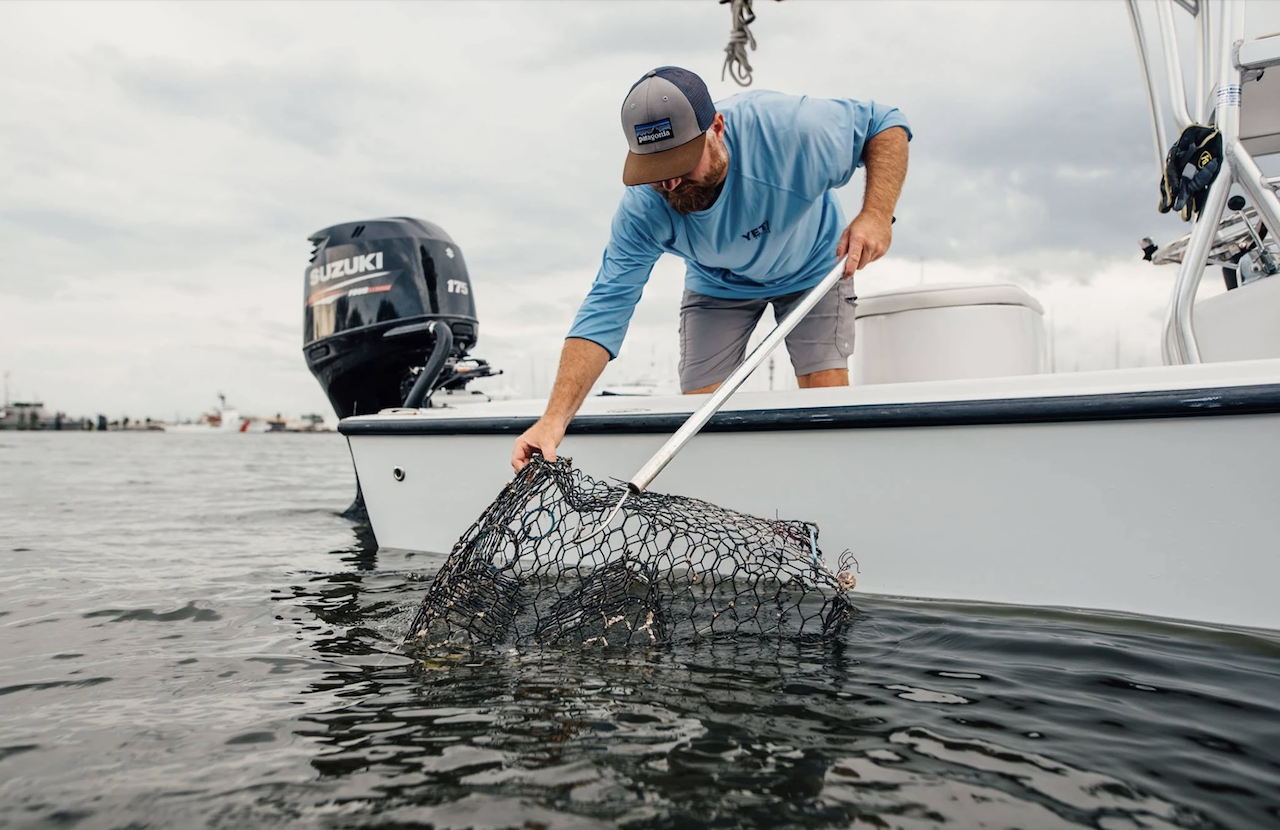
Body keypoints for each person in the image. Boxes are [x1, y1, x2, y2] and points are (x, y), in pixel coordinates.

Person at [512, 66, 910, 472]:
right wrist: (552, 420)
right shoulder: (643, 210)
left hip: (812, 268)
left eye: (681, 164)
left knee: (826, 403)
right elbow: (606, 308)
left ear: (716, 127)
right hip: (718, 285)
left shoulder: (789, 130)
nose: (670, 185)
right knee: (700, 415)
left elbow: (884, 124)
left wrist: (877, 214)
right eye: (656, 172)